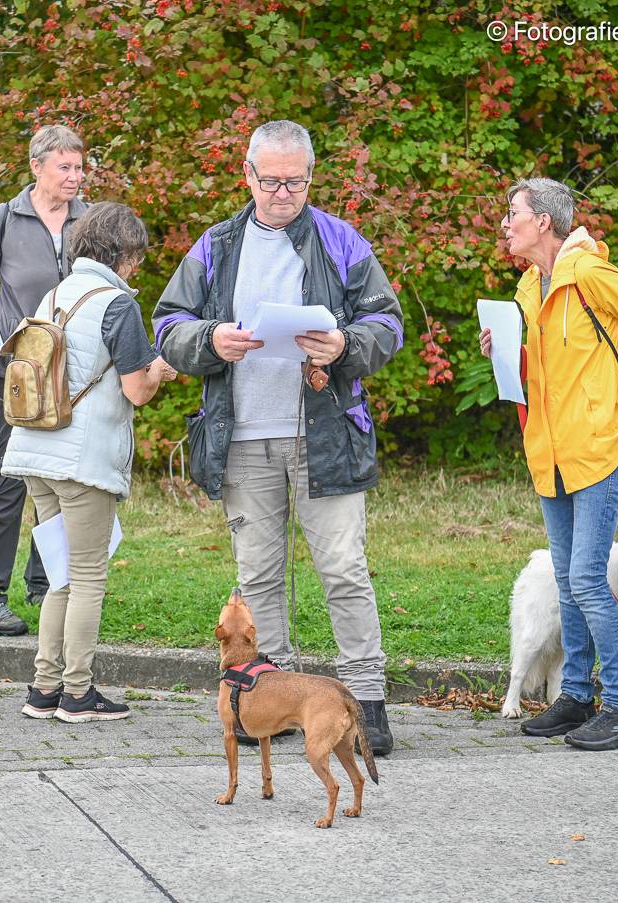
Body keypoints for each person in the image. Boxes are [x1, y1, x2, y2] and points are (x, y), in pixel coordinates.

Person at [152, 120, 405, 755]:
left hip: (324, 432)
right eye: (271, 181)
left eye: (295, 181)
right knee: (257, 574)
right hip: (241, 435)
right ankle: (275, 698)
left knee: (343, 569)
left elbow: (388, 321)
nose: (283, 193)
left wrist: (348, 343)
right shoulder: (216, 245)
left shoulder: (339, 240)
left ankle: (365, 703)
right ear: (248, 176)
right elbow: (167, 323)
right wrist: (208, 340)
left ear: (311, 178)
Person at [480, 177, 618, 750]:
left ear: (543, 221)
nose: (506, 223)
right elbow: (548, 370)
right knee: (570, 584)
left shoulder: (592, 275)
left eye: (513, 213)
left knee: (587, 582)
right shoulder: (528, 286)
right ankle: (575, 698)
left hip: (602, 449)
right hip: (552, 455)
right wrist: (504, 351)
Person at [6, 202, 178, 722]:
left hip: (37, 450)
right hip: (81, 460)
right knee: (86, 576)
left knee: (61, 574)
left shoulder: (55, 293)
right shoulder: (117, 304)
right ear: (120, 252)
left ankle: (44, 688)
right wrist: (164, 368)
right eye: (136, 258)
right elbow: (137, 390)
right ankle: (78, 693)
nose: (136, 269)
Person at [0, 125, 88, 636]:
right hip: (14, 376)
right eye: (64, 168)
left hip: (74, 376)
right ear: (37, 168)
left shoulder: (89, 220)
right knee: (5, 484)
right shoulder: (4, 220)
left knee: (61, 481)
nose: (75, 177)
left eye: (79, 167)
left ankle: (44, 581)